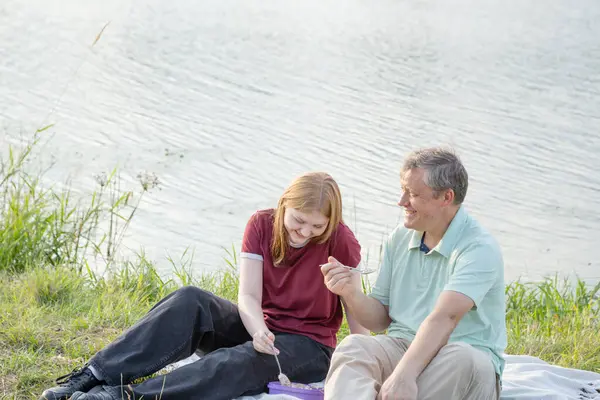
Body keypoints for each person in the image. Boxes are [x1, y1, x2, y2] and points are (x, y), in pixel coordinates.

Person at [40, 171, 367, 400]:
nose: (305, 232)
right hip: (259, 325)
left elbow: (355, 310)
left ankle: (129, 397)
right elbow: (249, 295)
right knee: (190, 299)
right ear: (284, 204)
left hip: (308, 346)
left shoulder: (341, 241)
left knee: (239, 361)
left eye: (317, 226)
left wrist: (361, 365)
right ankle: (96, 374)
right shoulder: (261, 224)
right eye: (298, 220)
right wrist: (256, 331)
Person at [321, 148, 507, 400]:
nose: (402, 201)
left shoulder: (478, 247)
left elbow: (446, 317)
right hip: (402, 346)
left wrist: (403, 375)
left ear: (446, 197)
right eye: (403, 190)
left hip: (459, 356)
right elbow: (379, 321)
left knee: (462, 358)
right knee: (354, 347)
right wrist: (352, 293)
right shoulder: (400, 237)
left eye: (414, 194)